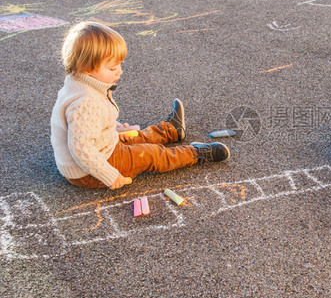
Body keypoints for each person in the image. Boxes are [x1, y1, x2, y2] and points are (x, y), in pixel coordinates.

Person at [51, 21, 230, 190]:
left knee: (134, 137)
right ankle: (195, 154)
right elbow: (82, 149)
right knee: (151, 154)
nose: (120, 71)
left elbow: (89, 123)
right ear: (86, 67)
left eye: (120, 64)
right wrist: (110, 176)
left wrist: (113, 127)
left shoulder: (78, 83)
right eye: (113, 68)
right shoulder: (86, 102)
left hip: (100, 149)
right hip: (88, 172)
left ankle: (171, 130)